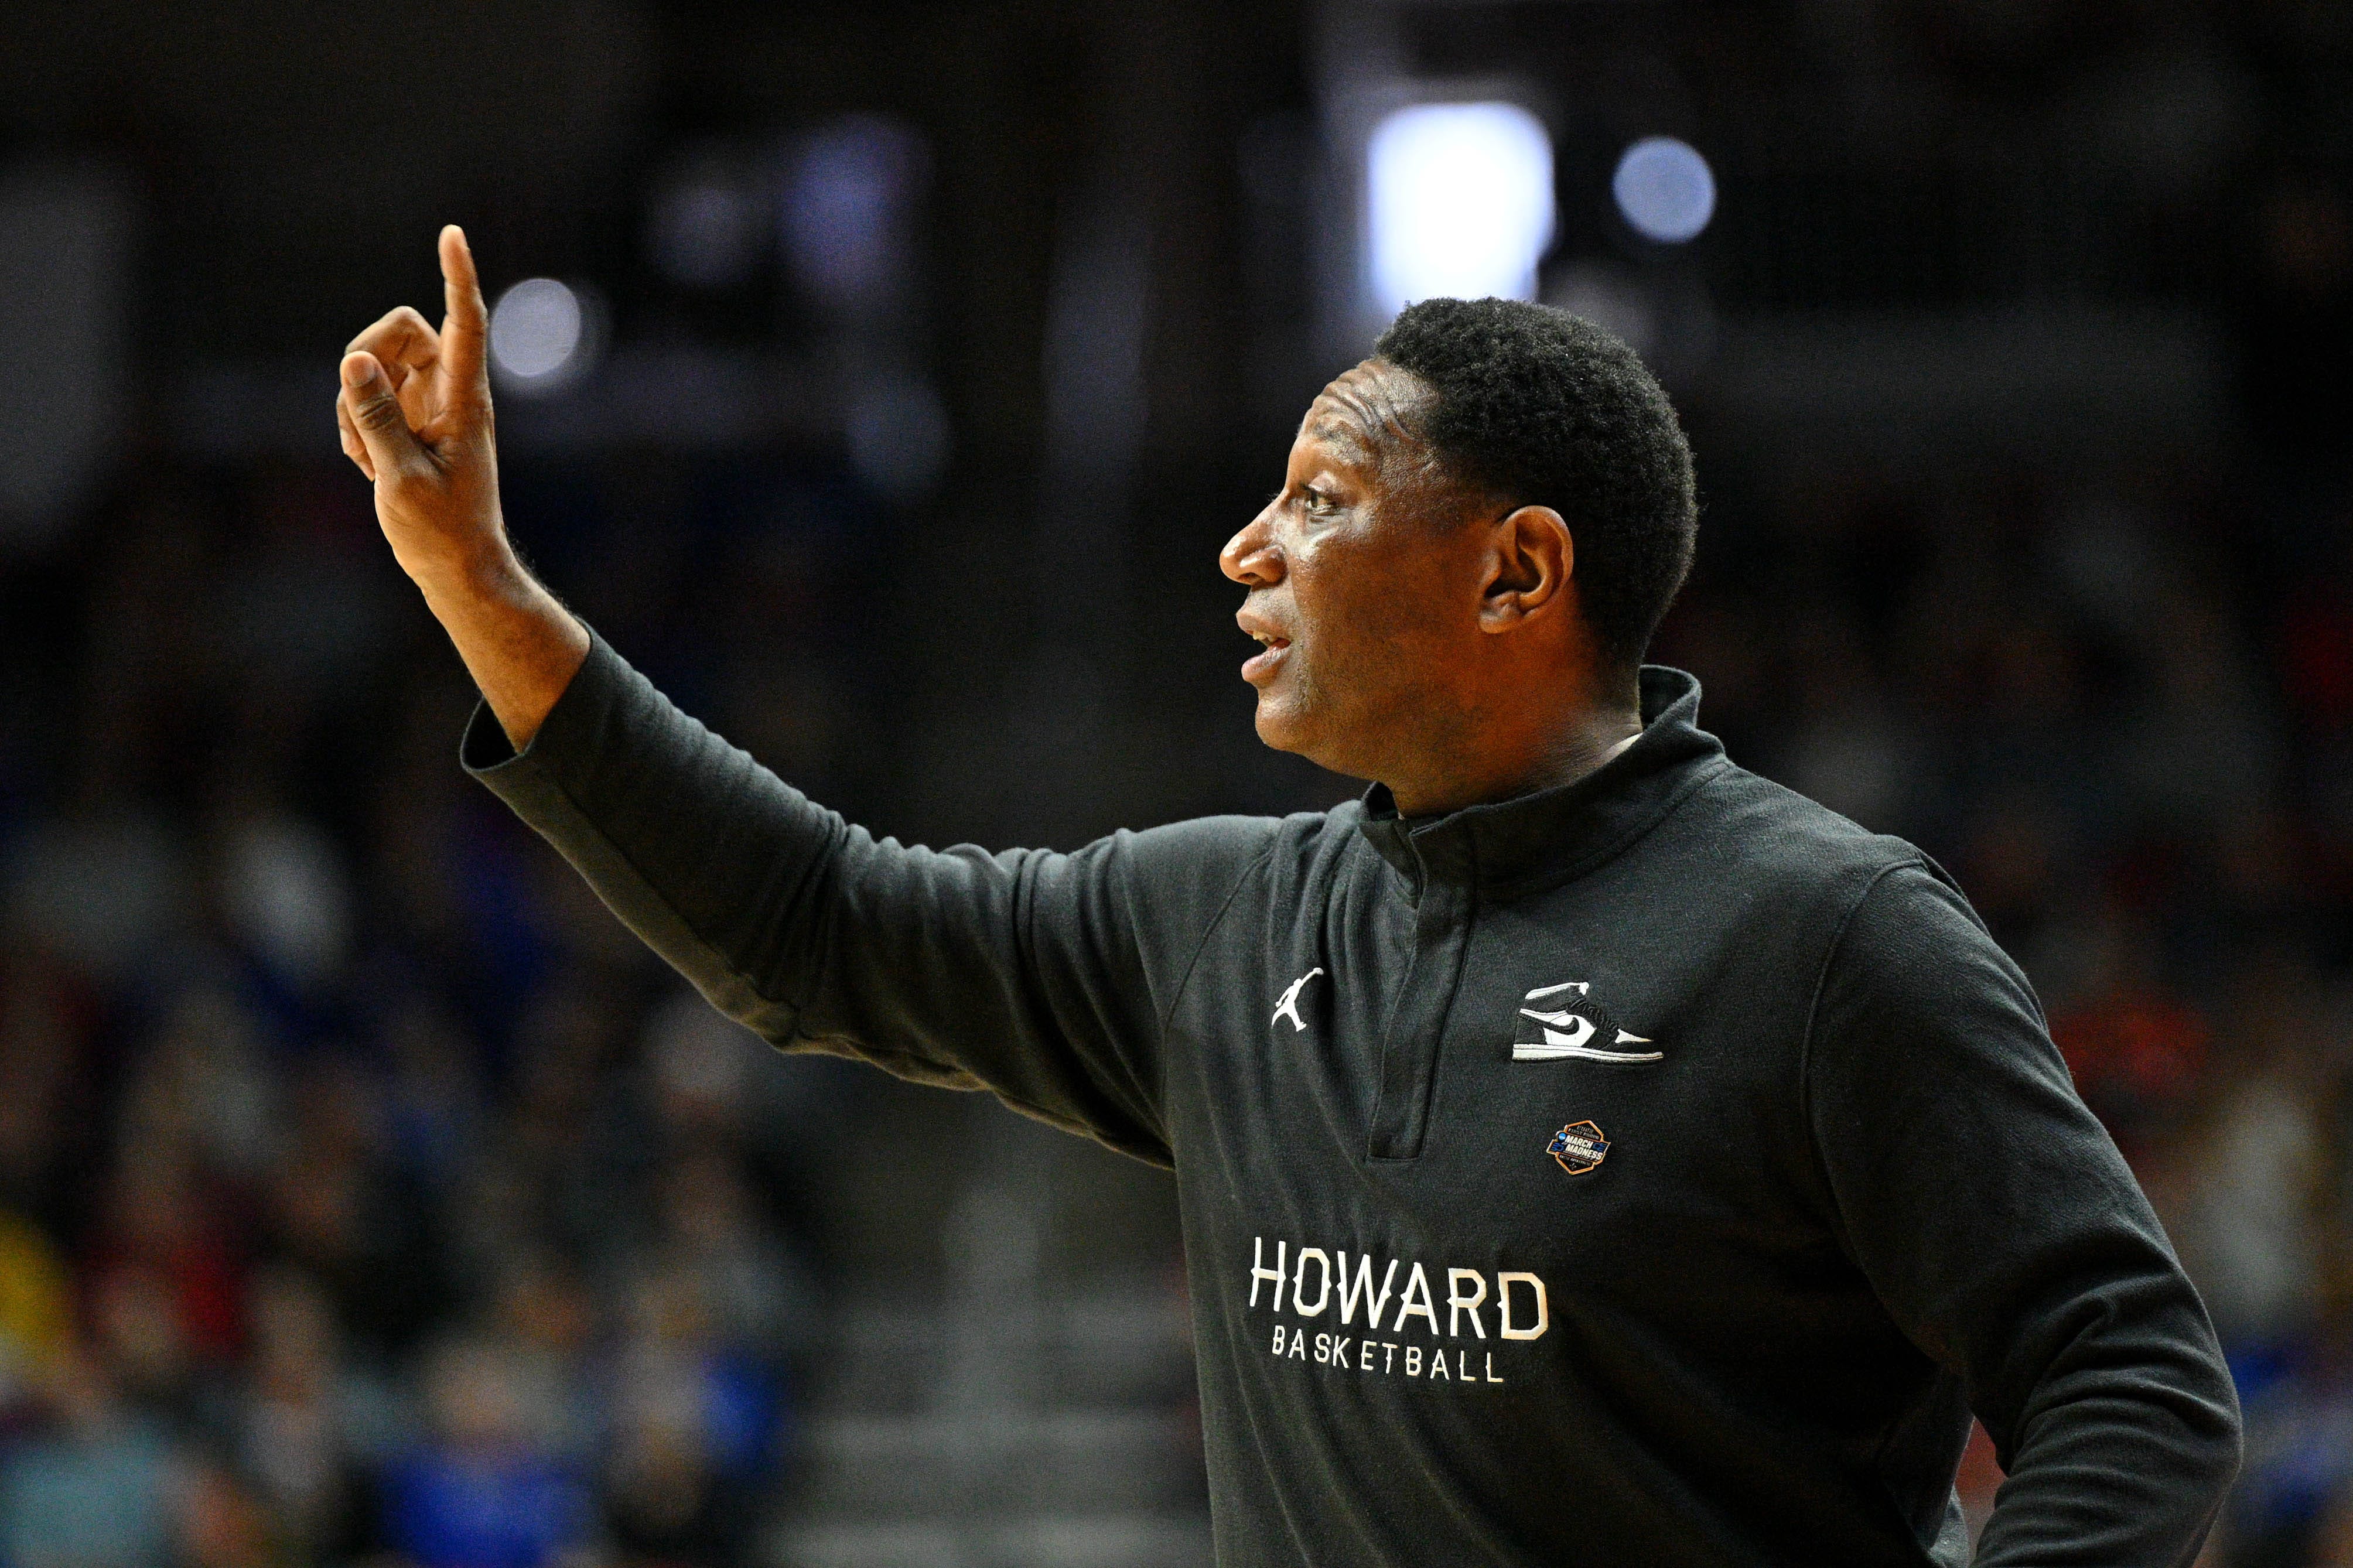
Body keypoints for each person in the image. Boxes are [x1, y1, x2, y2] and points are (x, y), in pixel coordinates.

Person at [336, 228, 2241, 1566]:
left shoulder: (1826, 936)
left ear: (1516, 574)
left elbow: (2127, 1370)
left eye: (1320, 499)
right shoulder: (1215, 918)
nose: (1246, 546)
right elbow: (816, 926)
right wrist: (480, 585)